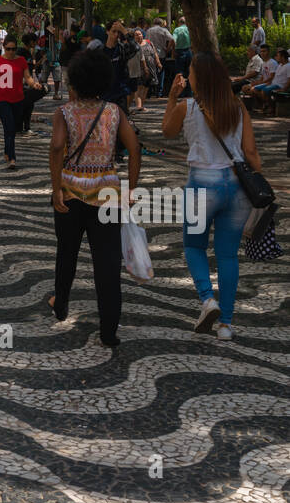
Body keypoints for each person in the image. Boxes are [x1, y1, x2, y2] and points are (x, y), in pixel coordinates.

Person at [162, 53, 262, 340]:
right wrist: (258, 173)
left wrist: (171, 97)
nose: (188, 76)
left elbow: (167, 131)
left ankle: (208, 300)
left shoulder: (188, 107)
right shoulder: (238, 107)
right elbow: (252, 153)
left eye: (191, 72)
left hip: (201, 186)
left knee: (194, 246)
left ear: (199, 78)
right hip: (236, 187)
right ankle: (226, 325)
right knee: (228, 255)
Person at [49, 49, 141, 348]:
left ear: (75, 80)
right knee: (107, 264)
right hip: (108, 196)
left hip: (71, 193)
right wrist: (132, 188)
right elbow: (135, 148)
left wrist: (56, 187)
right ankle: (109, 330)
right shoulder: (114, 111)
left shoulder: (64, 112)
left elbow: (57, 146)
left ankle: (60, 302)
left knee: (67, 254)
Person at [0, 34, 40, 169]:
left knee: (12, 128)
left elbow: (27, 77)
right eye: (8, 49)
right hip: (1, 99)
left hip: (18, 99)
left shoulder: (21, 61)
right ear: (4, 47)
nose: (11, 52)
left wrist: (34, 84)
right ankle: (12, 158)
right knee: (9, 126)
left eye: (13, 49)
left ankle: (7, 150)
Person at [245, 47, 290, 115]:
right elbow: (275, 77)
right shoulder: (280, 65)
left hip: (279, 85)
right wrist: (268, 82)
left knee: (264, 90)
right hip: (273, 83)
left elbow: (289, 80)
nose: (276, 57)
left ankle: (271, 108)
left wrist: (284, 89)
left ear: (282, 57)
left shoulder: (288, 66)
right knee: (254, 89)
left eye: (277, 56)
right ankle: (264, 105)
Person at [132, 28, 162, 110]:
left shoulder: (148, 42)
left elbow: (155, 53)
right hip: (139, 69)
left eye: (140, 34)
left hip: (150, 68)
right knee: (139, 87)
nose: (139, 36)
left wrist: (158, 62)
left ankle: (141, 105)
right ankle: (139, 106)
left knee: (146, 87)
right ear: (134, 37)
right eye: (136, 35)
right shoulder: (134, 45)